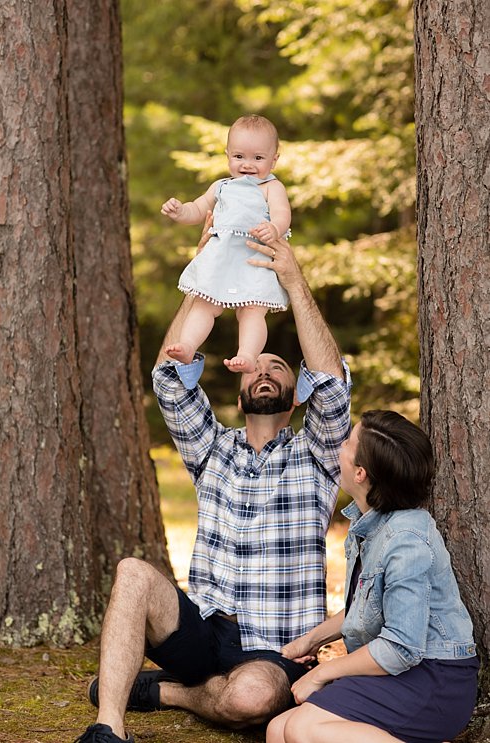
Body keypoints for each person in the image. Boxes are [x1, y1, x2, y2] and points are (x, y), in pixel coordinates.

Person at [77, 230, 351, 743]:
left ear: (296, 397)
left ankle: (167, 692)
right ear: (240, 389)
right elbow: (167, 376)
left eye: (279, 367)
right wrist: (204, 274)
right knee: (132, 573)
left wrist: (291, 279)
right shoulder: (212, 448)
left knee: (249, 699)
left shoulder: (316, 456)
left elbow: (333, 382)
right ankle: (107, 729)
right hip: (202, 628)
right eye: (257, 366)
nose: (266, 370)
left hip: (275, 647)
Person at [266, 411, 478, 743]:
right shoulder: (371, 524)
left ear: (361, 473)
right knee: (277, 731)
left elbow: (402, 647)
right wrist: (307, 643)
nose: (341, 444)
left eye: (348, 442)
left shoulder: (406, 540)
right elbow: (365, 609)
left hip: (435, 680)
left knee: (302, 729)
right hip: (399, 671)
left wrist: (322, 674)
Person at [161, 114, 292, 374]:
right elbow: (197, 210)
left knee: (252, 311)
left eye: (258, 158)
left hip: (253, 258)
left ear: (274, 159)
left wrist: (274, 228)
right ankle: (187, 345)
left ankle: (247, 354)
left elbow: (282, 215)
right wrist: (180, 212)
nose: (248, 165)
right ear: (228, 155)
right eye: (239, 156)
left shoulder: (270, 187)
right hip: (221, 257)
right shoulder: (221, 186)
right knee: (203, 305)